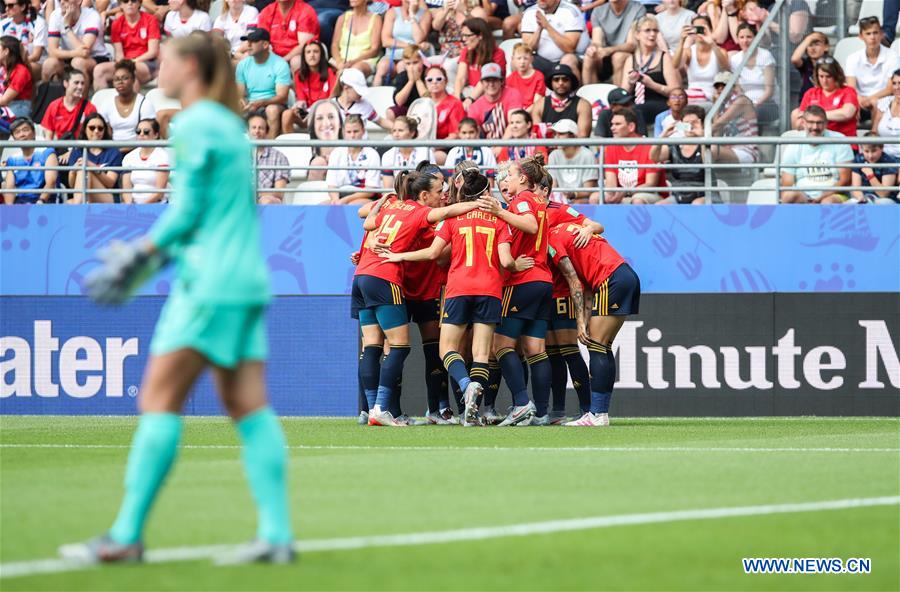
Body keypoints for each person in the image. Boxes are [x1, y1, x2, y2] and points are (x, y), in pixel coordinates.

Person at [60, 32, 294, 566]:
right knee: (248, 406)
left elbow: (186, 214)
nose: (152, 71)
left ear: (188, 66)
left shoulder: (192, 125)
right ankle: (276, 534)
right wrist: (149, 262)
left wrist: (138, 255)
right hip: (245, 281)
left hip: (207, 284)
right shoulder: (229, 127)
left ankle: (125, 535)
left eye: (162, 61)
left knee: (159, 400)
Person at [379, 169, 518, 426]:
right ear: (486, 192)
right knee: (481, 353)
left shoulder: (453, 218)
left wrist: (400, 256)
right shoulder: (499, 220)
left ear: (462, 193)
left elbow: (434, 254)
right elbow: (507, 261)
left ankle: (465, 385)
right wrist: (517, 266)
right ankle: (472, 412)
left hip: (459, 288)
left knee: (447, 349)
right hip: (490, 290)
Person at [352, 170, 482, 426]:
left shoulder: (391, 205)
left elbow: (366, 222)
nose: (443, 194)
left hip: (362, 276)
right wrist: (479, 204)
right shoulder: (420, 212)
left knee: (372, 346)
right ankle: (381, 409)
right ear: (423, 194)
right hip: (386, 277)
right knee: (399, 346)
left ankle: (372, 410)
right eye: (439, 190)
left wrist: (380, 205)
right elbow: (446, 219)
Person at [473, 154, 553, 426]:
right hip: (543, 280)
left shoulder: (523, 200)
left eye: (510, 175)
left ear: (523, 178)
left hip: (522, 279)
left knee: (500, 345)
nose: (506, 180)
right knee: (535, 348)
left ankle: (521, 403)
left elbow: (530, 225)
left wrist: (499, 212)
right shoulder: (539, 201)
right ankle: (541, 413)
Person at [547, 221, 641, 427]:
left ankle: (596, 413)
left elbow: (573, 280)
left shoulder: (551, 238)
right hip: (626, 275)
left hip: (610, 278)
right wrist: (586, 318)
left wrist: (580, 321)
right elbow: (587, 287)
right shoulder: (570, 228)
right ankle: (600, 413)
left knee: (597, 346)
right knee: (603, 346)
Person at [780, 105, 854, 204]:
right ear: (804, 123)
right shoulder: (793, 145)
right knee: (789, 196)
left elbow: (845, 180)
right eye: (811, 122)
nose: (815, 127)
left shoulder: (840, 140)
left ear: (826, 123)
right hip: (803, 196)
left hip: (833, 195)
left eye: (819, 123)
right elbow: (787, 185)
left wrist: (821, 197)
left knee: (827, 203)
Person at [620, 15, 682, 126]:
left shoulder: (664, 57)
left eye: (655, 30)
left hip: (660, 102)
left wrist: (652, 85)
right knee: (609, 113)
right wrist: (630, 83)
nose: (652, 34)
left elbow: (675, 91)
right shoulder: (631, 59)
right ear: (637, 34)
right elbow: (623, 93)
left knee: (636, 111)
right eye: (647, 30)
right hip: (636, 103)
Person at [598, 107, 661, 203]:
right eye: (612, 124)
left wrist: (626, 192)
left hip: (648, 193)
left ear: (631, 127)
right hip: (622, 192)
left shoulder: (649, 146)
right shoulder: (610, 147)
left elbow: (651, 184)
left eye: (617, 124)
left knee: (637, 200)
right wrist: (611, 194)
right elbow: (611, 183)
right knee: (595, 198)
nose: (612, 128)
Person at [236, 27, 291, 137]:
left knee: (272, 110)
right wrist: (241, 100)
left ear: (265, 45)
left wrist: (261, 102)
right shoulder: (242, 65)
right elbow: (239, 93)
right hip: (251, 103)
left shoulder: (280, 64)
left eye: (253, 42)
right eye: (248, 41)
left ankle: (270, 146)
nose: (248, 45)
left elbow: (282, 97)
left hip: (273, 104)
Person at [649, 103, 706, 204]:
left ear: (702, 124)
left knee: (697, 204)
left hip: (705, 194)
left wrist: (702, 137)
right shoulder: (675, 145)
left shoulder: (709, 144)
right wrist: (663, 136)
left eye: (694, 123)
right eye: (686, 123)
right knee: (659, 206)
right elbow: (654, 157)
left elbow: (707, 160)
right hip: (679, 195)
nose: (690, 126)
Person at [96, 0, 160, 89]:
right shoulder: (116, 24)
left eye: (133, 0)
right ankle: (102, 98)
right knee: (99, 70)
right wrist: (124, 64)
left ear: (139, 3)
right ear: (120, 5)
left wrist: (133, 61)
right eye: (125, 1)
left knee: (129, 70)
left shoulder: (150, 20)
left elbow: (152, 52)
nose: (130, 3)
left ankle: (133, 98)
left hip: (147, 62)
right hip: (125, 62)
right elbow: (119, 54)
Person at [791, 58, 859, 140]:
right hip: (815, 141)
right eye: (821, 76)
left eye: (828, 76)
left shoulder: (848, 91)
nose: (824, 80)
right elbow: (800, 120)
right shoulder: (810, 93)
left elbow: (847, 113)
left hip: (843, 141)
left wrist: (815, 116)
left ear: (836, 76)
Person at [43, 0, 110, 83]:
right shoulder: (55, 15)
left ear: (79, 1)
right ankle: (50, 91)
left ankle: (81, 92)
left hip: (96, 57)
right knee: (49, 64)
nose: (62, 2)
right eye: (60, 0)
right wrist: (74, 53)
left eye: (66, 0)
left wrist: (67, 27)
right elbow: (52, 51)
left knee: (78, 62)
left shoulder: (92, 16)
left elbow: (85, 51)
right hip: (70, 56)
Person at [844, 17, 897, 120]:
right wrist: (859, 100)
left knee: (876, 103)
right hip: (860, 100)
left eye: (875, 33)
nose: (872, 37)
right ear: (861, 36)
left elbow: (890, 88)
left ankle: (874, 130)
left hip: (885, 99)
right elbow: (851, 88)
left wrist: (869, 99)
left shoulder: (893, 56)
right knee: (849, 106)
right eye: (868, 34)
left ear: (881, 34)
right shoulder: (852, 58)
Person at [520, 0, 586, 80]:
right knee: (520, 60)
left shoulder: (571, 11)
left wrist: (547, 26)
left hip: (570, 58)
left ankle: (575, 88)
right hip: (541, 60)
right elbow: (527, 48)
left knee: (568, 60)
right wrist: (539, 29)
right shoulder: (529, 12)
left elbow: (569, 48)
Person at [66, 113, 124, 204]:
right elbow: (72, 184)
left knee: (86, 171)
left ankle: (78, 207)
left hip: (108, 197)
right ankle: (79, 205)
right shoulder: (77, 150)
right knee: (69, 202)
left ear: (105, 130)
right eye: (92, 128)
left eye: (100, 128)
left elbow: (110, 183)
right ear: (85, 129)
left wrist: (92, 167)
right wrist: (74, 170)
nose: (96, 131)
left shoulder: (113, 152)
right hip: (84, 196)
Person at [582, 0, 644, 85]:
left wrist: (609, 50)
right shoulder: (598, 11)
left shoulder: (637, 9)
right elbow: (597, 41)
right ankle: (589, 93)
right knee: (589, 57)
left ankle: (619, 93)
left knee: (618, 57)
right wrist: (593, 48)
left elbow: (631, 45)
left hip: (628, 56)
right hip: (605, 56)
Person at [281, 39, 336, 132]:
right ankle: (290, 141)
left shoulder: (330, 72)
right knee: (287, 114)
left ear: (321, 55)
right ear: (304, 56)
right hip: (308, 112)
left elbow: (333, 97)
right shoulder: (299, 75)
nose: (312, 55)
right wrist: (298, 109)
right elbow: (302, 100)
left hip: (325, 111)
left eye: (316, 51)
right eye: (308, 52)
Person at [431, 0, 486, 91]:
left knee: (449, 65)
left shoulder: (477, 11)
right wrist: (445, 11)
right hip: (444, 55)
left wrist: (464, 11)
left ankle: (453, 92)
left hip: (466, 55)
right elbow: (436, 26)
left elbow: (481, 29)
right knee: (426, 62)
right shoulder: (445, 12)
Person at [326, 113, 381, 204]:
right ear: (343, 132)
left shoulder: (372, 154)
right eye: (349, 132)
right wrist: (335, 200)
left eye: (356, 131)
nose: (352, 135)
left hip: (364, 196)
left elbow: (371, 190)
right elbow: (332, 185)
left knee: (352, 205)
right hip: (340, 195)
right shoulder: (336, 153)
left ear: (363, 131)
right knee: (322, 206)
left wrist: (345, 200)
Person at [373, 0, 430, 85]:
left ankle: (401, 92)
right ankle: (374, 92)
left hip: (412, 57)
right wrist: (409, 45)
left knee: (402, 66)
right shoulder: (392, 12)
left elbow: (419, 39)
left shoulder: (425, 14)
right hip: (392, 55)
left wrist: (412, 15)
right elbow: (386, 41)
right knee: (383, 66)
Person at [97, 60, 157, 141]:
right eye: (116, 79)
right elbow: (104, 133)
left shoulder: (144, 104)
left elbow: (147, 135)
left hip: (138, 146)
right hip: (112, 147)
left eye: (125, 78)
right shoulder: (107, 104)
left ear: (133, 80)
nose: (120, 82)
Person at [2, 116, 58, 203]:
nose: (22, 134)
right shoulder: (12, 160)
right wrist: (10, 208)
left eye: (25, 130)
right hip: (21, 202)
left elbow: (51, 183)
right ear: (14, 138)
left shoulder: (47, 153)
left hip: (45, 202)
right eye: (17, 132)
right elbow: (10, 187)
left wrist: (41, 201)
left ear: (34, 133)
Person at [728, 22, 776, 124]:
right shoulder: (735, 59)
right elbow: (738, 89)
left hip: (766, 104)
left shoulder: (765, 56)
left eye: (749, 37)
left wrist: (754, 105)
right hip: (744, 103)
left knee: (749, 113)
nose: (745, 41)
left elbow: (769, 91)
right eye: (741, 37)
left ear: (755, 38)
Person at [674, 14, 727, 102]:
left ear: (710, 29)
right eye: (696, 28)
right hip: (692, 97)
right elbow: (676, 65)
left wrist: (712, 43)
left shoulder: (719, 51)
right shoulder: (689, 51)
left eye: (702, 28)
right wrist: (682, 40)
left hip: (712, 98)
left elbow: (725, 67)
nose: (699, 32)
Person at [709, 70, 758, 165]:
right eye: (717, 86)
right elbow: (717, 136)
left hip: (747, 151)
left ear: (733, 87)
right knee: (707, 149)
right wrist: (716, 105)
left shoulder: (741, 101)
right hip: (731, 149)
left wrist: (699, 134)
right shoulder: (724, 106)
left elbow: (717, 125)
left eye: (724, 86)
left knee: (712, 150)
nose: (720, 89)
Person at [256, 0, 319, 72]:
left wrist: (282, 61)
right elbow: (262, 40)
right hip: (273, 56)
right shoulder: (267, 12)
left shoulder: (305, 11)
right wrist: (272, 57)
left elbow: (305, 45)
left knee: (296, 61)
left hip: (296, 55)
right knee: (250, 56)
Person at [531, 62, 592, 137]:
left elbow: (583, 137)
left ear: (571, 82)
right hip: (546, 144)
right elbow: (537, 136)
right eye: (556, 79)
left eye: (565, 79)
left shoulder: (583, 105)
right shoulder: (540, 104)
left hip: (573, 144)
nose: (560, 83)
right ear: (551, 82)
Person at [455, 17, 504, 106]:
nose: (464, 39)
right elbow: (461, 78)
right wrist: (456, 99)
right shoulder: (467, 50)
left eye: (467, 36)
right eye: (463, 35)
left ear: (480, 36)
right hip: (470, 91)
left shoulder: (497, 54)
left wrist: (470, 99)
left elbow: (485, 81)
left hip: (489, 94)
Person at [467, 62, 523, 139]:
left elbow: (514, 124)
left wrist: (501, 145)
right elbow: (473, 134)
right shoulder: (475, 107)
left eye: (495, 80)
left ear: (501, 81)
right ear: (481, 83)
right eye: (487, 80)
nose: (491, 84)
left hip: (512, 142)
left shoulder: (512, 94)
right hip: (487, 144)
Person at [547, 118, 597, 203]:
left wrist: (573, 195)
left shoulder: (587, 155)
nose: (556, 137)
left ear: (573, 136)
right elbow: (553, 186)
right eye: (555, 134)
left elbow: (589, 190)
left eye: (561, 134)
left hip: (582, 200)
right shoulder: (554, 155)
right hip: (562, 199)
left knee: (579, 202)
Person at [121, 117, 170, 204]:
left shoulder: (163, 156)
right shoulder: (129, 157)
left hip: (157, 205)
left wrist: (141, 207)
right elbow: (126, 190)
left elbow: (159, 193)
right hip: (134, 206)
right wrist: (130, 205)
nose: (141, 134)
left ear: (156, 135)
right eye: (138, 131)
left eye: (146, 132)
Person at [40, 66, 95, 140]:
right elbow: (48, 137)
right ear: (65, 83)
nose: (80, 87)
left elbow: (93, 135)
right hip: (60, 146)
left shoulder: (90, 108)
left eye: (82, 83)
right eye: (76, 83)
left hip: (81, 146)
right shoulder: (54, 106)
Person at [330, 0, 383, 78]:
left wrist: (352, 62)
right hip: (342, 60)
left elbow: (374, 49)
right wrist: (339, 61)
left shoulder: (376, 19)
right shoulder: (343, 18)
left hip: (364, 60)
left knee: (355, 70)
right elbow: (334, 45)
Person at [246, 112, 289, 204]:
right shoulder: (239, 156)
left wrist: (255, 194)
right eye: (254, 127)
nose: (257, 131)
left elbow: (279, 193)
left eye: (261, 128)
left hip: (268, 202)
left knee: (266, 200)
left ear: (266, 132)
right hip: (244, 201)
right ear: (248, 131)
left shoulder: (279, 157)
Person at [380, 115, 434, 186]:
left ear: (412, 133)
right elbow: (387, 188)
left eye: (400, 130)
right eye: (394, 131)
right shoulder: (387, 155)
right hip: (397, 193)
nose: (396, 134)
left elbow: (432, 182)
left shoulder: (426, 152)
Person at [1, 0, 48, 79]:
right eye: (5, 5)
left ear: (22, 7)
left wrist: (15, 64)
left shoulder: (39, 23)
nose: (6, 9)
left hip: (32, 63)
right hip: (7, 64)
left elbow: (36, 56)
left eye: (10, 5)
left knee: (21, 70)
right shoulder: (3, 24)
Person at [851, 134, 898, 205]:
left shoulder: (889, 162)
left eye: (874, 151)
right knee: (849, 203)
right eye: (866, 151)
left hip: (883, 199)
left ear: (882, 148)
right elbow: (856, 189)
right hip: (864, 197)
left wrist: (870, 175)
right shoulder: (858, 159)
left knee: (883, 203)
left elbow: (883, 194)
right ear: (861, 149)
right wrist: (861, 198)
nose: (870, 156)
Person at [424, 63, 465, 142]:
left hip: (447, 147)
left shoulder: (455, 103)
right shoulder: (422, 104)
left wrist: (434, 147)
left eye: (439, 79)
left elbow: (455, 135)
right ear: (425, 83)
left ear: (446, 81)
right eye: (430, 80)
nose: (434, 82)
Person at [306, 97, 342, 181]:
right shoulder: (315, 162)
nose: (326, 123)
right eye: (320, 118)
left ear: (340, 122)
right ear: (313, 125)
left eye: (331, 117)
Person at [386, 44, 426, 117]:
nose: (412, 67)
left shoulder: (429, 73)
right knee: (391, 112)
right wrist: (411, 81)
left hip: (426, 109)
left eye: (415, 62)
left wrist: (418, 80)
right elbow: (399, 102)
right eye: (408, 64)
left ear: (422, 60)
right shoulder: (402, 76)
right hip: (408, 109)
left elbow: (428, 99)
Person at [0, 35, 31, 123]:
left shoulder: (21, 72)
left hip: (18, 107)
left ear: (6, 51)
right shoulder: (3, 69)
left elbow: (4, 100)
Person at [506, 42, 544, 110]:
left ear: (531, 59)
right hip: (515, 111)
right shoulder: (509, 79)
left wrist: (524, 113)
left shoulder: (538, 77)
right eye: (519, 58)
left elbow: (537, 103)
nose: (522, 62)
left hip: (533, 110)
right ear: (513, 59)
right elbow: (509, 102)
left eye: (525, 58)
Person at [790, 31, 829, 99]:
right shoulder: (806, 64)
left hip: (825, 100)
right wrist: (808, 39)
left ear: (826, 47)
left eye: (817, 44)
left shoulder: (831, 63)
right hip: (807, 101)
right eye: (810, 45)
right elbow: (795, 59)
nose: (813, 48)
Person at [872, 70, 900, 160]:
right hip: (883, 158)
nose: (897, 87)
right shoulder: (884, 103)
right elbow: (874, 133)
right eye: (894, 83)